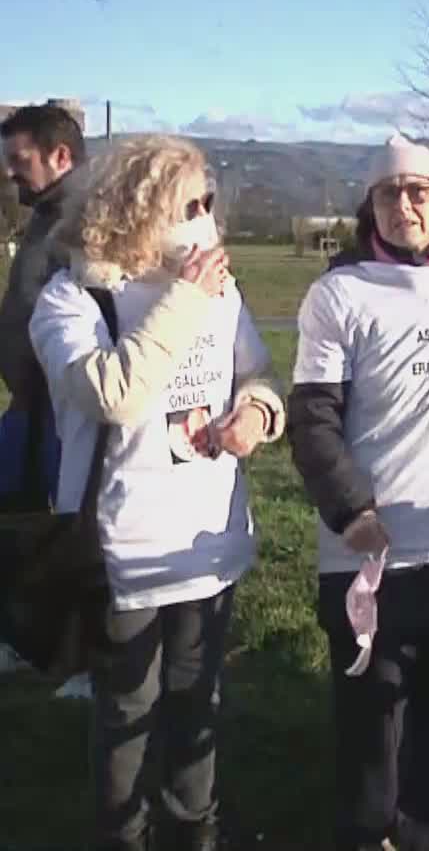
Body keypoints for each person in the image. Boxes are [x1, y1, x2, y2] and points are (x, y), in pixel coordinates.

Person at [29, 135, 283, 851]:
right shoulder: (74, 298)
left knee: (197, 697)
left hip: (209, 543)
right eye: (186, 206)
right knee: (126, 712)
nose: (203, 219)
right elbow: (116, 394)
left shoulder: (217, 288)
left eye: (208, 204)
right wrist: (184, 299)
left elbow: (258, 375)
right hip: (125, 549)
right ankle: (124, 837)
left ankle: (196, 830)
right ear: (138, 209)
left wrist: (257, 416)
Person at [288, 137, 429, 851]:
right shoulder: (341, 293)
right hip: (370, 552)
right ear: (370, 207)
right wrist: (350, 507)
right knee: (372, 734)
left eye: (422, 191)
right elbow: (313, 416)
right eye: (390, 193)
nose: (405, 204)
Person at [0, 103, 86, 676]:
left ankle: (82, 659)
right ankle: (28, 643)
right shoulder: (43, 214)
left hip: (67, 409)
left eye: (18, 160)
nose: (9, 172)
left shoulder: (86, 220)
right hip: (28, 404)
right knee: (17, 518)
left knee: (74, 529)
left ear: (61, 156)